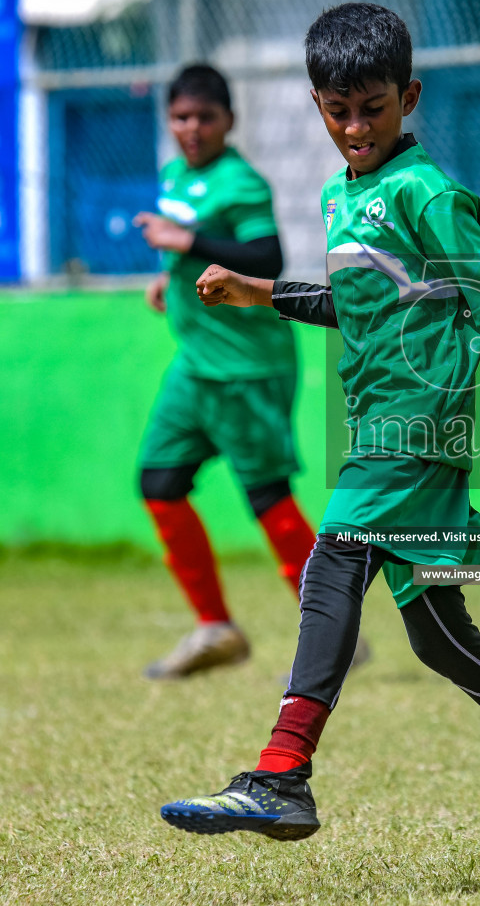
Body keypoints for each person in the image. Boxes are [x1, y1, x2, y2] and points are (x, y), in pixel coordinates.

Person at [160, 3, 480, 876]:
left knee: (331, 561)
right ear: (316, 104)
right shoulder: (345, 196)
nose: (355, 127)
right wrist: (261, 292)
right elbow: (359, 303)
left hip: (414, 426)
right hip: (382, 423)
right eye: (337, 110)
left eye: (372, 107)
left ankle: (281, 773)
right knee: (439, 638)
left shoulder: (429, 193)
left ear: (407, 96)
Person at [130, 64, 334, 680]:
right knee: (159, 482)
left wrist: (185, 243)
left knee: (267, 498)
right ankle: (215, 628)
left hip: (247, 369)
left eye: (205, 117)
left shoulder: (241, 181)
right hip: (195, 367)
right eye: (181, 117)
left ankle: (334, 635)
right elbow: (192, 252)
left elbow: (264, 256)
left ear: (229, 121)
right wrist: (167, 281)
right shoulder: (174, 176)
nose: (192, 129)